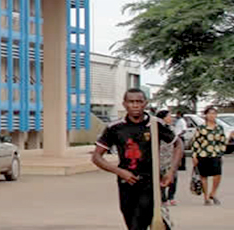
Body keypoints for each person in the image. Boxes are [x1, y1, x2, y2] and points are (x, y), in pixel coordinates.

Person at [91, 88, 183, 230]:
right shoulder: (115, 128)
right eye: (131, 102)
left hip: (150, 183)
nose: (135, 105)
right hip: (126, 183)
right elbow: (97, 157)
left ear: (145, 103)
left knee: (138, 224)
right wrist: (119, 171)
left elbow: (178, 144)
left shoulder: (155, 124)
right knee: (131, 222)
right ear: (124, 104)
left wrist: (171, 171)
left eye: (139, 102)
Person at [191, 106, 226, 206]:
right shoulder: (201, 128)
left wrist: (222, 154)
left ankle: (213, 193)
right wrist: (194, 156)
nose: (212, 115)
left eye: (214, 113)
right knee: (203, 176)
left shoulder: (219, 128)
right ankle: (206, 197)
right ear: (205, 115)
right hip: (203, 155)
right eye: (210, 113)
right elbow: (195, 142)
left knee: (217, 175)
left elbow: (222, 142)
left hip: (215, 154)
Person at [156, 110, 178, 206]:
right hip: (161, 158)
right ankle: (163, 198)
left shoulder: (172, 129)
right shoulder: (157, 129)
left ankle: (171, 197)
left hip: (171, 157)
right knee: (161, 178)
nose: (171, 118)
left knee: (174, 177)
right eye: (169, 116)